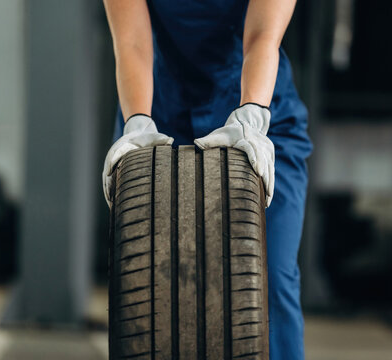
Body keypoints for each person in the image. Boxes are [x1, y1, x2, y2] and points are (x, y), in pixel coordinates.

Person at [102, 0, 313, 358]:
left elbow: (262, 36)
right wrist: (137, 120)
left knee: (270, 279)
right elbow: (132, 41)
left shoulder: (257, 114)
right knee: (142, 284)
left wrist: (251, 113)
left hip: (258, 117)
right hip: (156, 119)